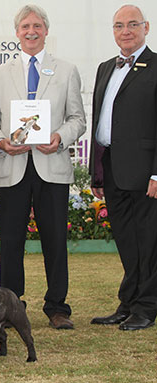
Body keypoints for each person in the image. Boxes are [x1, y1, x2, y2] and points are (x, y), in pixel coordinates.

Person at [0, 4, 86, 330]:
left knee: (55, 239)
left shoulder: (66, 70)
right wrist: (0, 142)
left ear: (45, 31)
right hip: (12, 165)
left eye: (37, 26)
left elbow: (78, 120)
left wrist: (59, 136)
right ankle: (12, 305)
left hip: (50, 165)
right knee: (11, 241)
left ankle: (57, 307)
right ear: (16, 32)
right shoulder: (0, 73)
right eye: (25, 26)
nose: (31, 31)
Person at [90, 4, 157, 331]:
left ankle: (146, 307)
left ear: (146, 28)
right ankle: (129, 302)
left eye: (132, 25)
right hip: (112, 169)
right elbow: (98, 124)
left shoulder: (156, 66)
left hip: (146, 174)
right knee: (127, 243)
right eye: (119, 26)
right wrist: (96, 172)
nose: (126, 31)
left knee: (148, 243)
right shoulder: (106, 68)